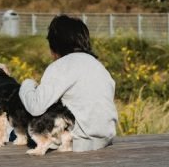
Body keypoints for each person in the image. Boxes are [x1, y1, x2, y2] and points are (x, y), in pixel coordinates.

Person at [18, 15, 118, 152]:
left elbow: (36, 106)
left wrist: (27, 84)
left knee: (19, 130)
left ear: (55, 45)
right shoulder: (99, 66)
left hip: (76, 142)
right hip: (105, 139)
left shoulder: (61, 66)